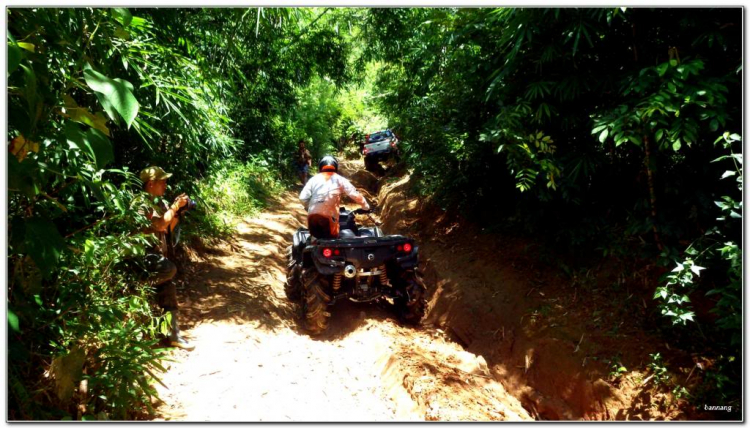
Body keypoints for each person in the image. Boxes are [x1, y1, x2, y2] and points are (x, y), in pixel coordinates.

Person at [138, 166, 195, 351]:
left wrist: (179, 211)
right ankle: (139, 285)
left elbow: (169, 227)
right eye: (162, 181)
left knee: (168, 287)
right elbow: (160, 224)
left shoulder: (160, 203)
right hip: (142, 257)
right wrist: (174, 206)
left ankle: (173, 335)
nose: (165, 184)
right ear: (151, 184)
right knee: (169, 269)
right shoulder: (140, 204)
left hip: (156, 257)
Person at [299, 155, 370, 239]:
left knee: (315, 239)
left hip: (313, 217)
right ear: (335, 167)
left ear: (320, 167)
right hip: (329, 218)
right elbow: (355, 195)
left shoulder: (313, 179)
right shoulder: (340, 179)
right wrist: (366, 207)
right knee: (335, 239)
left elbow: (302, 198)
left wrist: (309, 207)